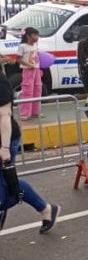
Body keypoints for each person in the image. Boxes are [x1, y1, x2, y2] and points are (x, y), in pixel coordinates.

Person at [0, 70, 60, 232]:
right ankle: (46, 209)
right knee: (6, 181)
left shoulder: (1, 83)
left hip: (4, 140)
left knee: (6, 182)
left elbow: (4, 116)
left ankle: (45, 209)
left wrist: (4, 148)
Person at [16, 27, 41, 120]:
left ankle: (36, 111)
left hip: (36, 69)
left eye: (37, 35)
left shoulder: (35, 45)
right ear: (28, 36)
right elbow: (18, 59)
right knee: (27, 91)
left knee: (37, 89)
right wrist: (28, 64)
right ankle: (25, 113)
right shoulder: (22, 46)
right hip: (27, 70)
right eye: (34, 35)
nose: (37, 37)